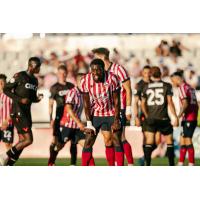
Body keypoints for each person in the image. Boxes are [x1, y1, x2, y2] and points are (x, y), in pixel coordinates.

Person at [92, 48, 133, 166]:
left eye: (96, 57)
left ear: (101, 57)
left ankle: (130, 164)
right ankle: (113, 164)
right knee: (108, 139)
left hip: (119, 107)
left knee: (120, 138)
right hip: (105, 110)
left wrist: (128, 109)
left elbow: (128, 89)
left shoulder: (118, 69)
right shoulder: (98, 72)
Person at [0, 57, 43, 166]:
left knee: (22, 142)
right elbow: (6, 89)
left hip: (27, 113)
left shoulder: (35, 80)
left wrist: (37, 99)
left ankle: (8, 165)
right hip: (17, 111)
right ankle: (5, 155)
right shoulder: (20, 75)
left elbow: (31, 98)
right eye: (38, 67)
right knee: (29, 140)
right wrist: (20, 99)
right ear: (32, 66)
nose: (39, 69)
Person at [80, 59, 123, 166]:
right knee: (88, 141)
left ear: (103, 70)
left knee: (116, 139)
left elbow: (117, 101)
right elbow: (86, 103)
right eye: (92, 70)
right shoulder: (85, 80)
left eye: (98, 70)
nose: (95, 73)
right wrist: (89, 123)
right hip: (96, 114)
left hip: (111, 113)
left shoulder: (112, 78)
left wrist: (117, 119)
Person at [48, 73, 95, 166]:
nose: (86, 83)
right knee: (58, 147)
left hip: (77, 128)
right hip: (68, 126)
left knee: (88, 145)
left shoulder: (84, 93)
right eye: (83, 81)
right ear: (78, 82)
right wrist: (79, 122)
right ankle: (51, 163)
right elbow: (68, 109)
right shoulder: (72, 92)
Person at [141, 66, 179, 166]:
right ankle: (171, 164)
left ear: (151, 75)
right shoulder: (167, 86)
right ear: (160, 74)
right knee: (169, 141)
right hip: (163, 118)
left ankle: (147, 164)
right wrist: (175, 116)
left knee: (149, 142)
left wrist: (147, 115)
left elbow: (142, 104)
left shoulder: (146, 87)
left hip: (151, 118)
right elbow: (170, 102)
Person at [48, 64, 77, 166]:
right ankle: (51, 162)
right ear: (57, 73)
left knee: (74, 140)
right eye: (60, 73)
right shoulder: (54, 87)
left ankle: (73, 163)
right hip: (59, 117)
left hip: (71, 118)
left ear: (66, 74)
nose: (62, 75)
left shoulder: (71, 86)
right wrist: (50, 119)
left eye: (64, 73)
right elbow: (50, 104)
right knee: (55, 140)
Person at [171, 71, 199, 166]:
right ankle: (181, 162)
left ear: (177, 79)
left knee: (187, 140)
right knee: (182, 140)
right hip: (191, 118)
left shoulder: (182, 88)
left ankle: (191, 163)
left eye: (173, 80)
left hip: (188, 118)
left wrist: (178, 116)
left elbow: (185, 103)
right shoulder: (190, 87)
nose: (172, 82)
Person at [0, 74, 13, 150]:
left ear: (6, 82)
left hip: (7, 124)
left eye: (2, 82)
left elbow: (14, 109)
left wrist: (7, 120)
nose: (1, 84)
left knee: (8, 144)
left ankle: (8, 161)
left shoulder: (10, 95)